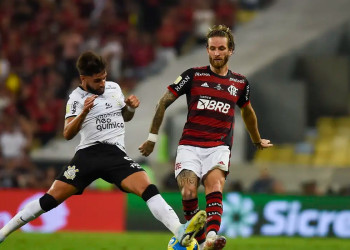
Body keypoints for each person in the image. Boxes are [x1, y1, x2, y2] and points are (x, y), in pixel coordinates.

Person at [0, 51, 206, 247]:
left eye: (104, 78)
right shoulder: (76, 99)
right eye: (97, 80)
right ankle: (3, 232)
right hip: (88, 155)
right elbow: (67, 133)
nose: (102, 84)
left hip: (115, 154)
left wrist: (131, 107)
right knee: (50, 199)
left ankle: (179, 230)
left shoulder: (114, 88)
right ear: (83, 79)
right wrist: (83, 113)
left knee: (147, 186)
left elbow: (125, 117)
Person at [139, 24, 273, 250]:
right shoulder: (193, 76)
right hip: (190, 146)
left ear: (231, 51)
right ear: (207, 50)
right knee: (188, 190)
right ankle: (202, 244)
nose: (217, 53)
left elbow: (248, 113)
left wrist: (256, 139)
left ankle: (211, 237)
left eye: (221, 48)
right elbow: (163, 102)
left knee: (214, 187)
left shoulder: (239, 83)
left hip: (218, 146)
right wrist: (152, 138)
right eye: (212, 48)